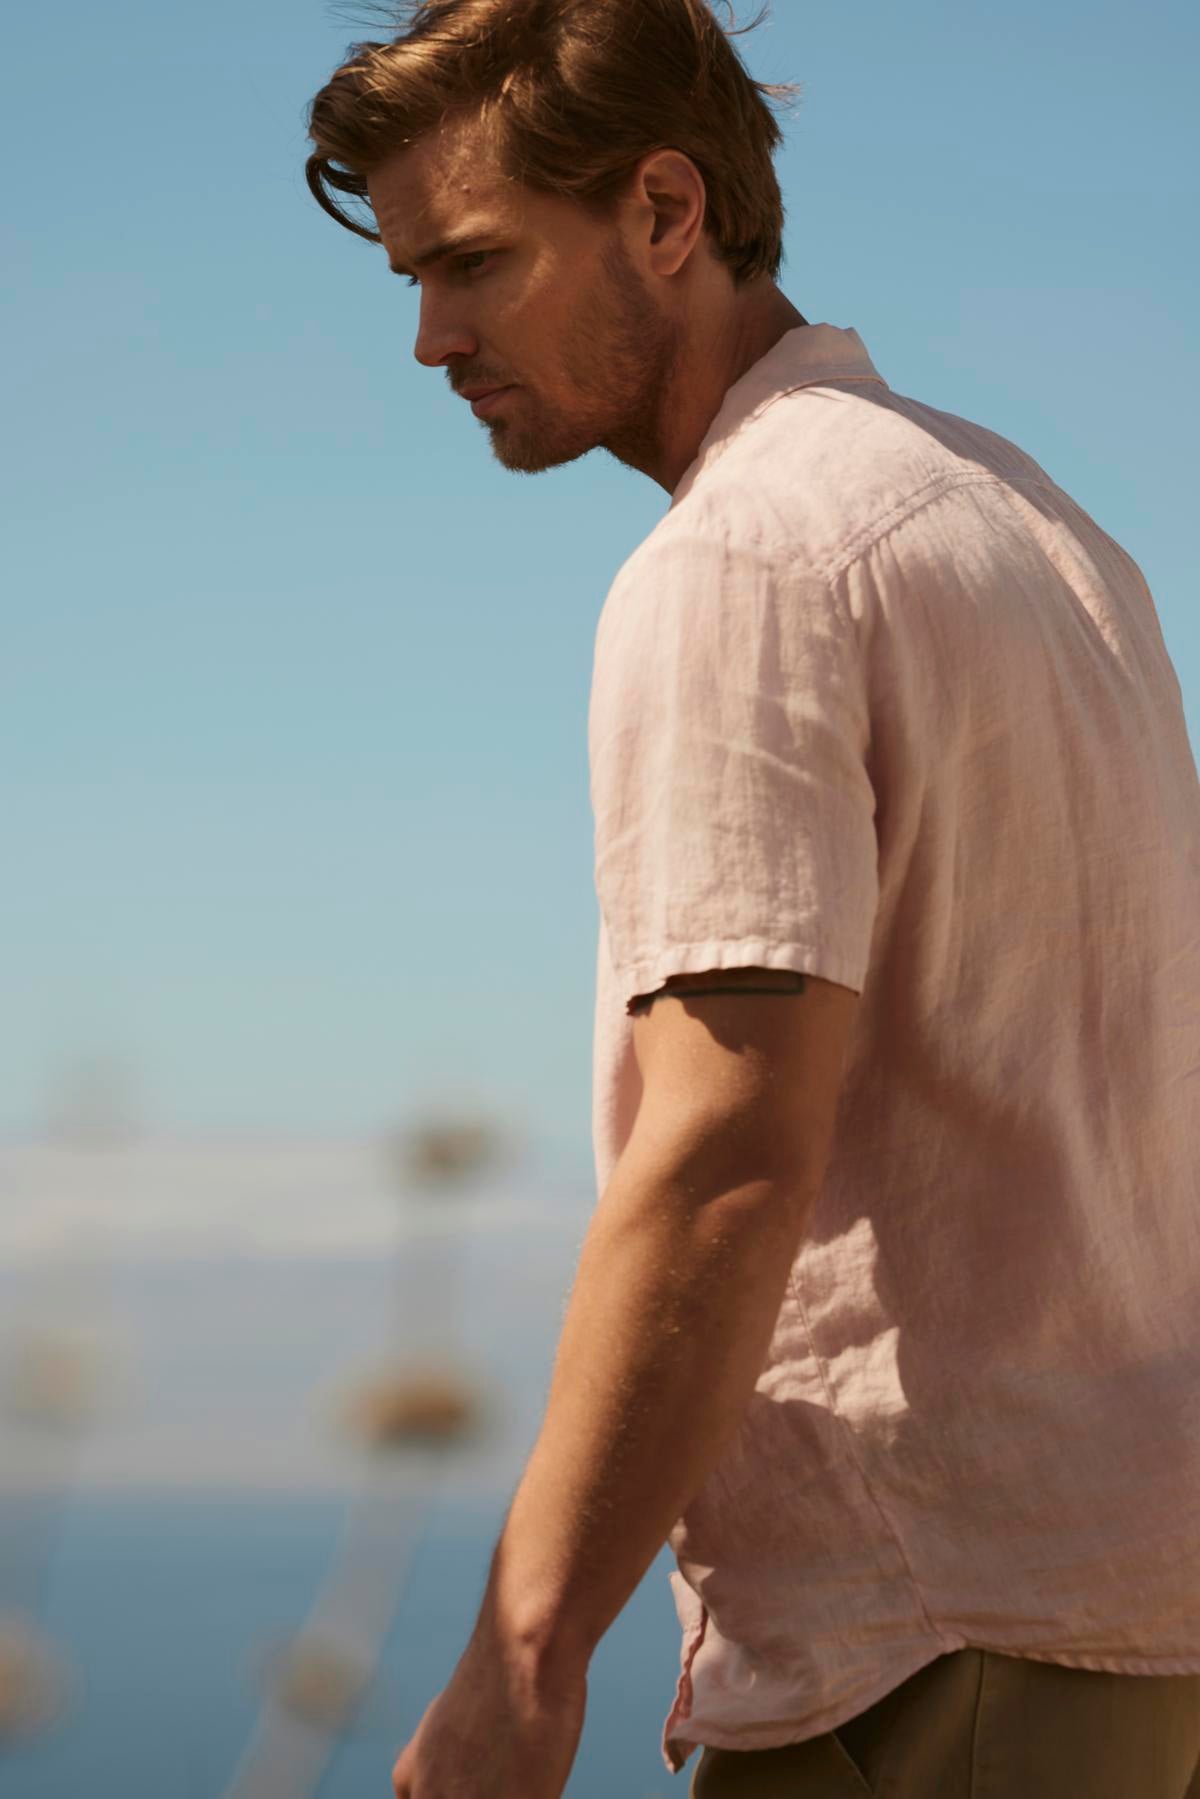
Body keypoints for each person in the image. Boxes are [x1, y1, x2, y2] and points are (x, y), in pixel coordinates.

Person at [304, 3, 1200, 1794]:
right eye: (411, 278)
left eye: (474, 263)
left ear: (664, 210)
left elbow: (723, 1153)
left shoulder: (747, 558)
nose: (431, 339)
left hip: (934, 1640)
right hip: (1125, 1610)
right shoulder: (1031, 526)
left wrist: (523, 1660)